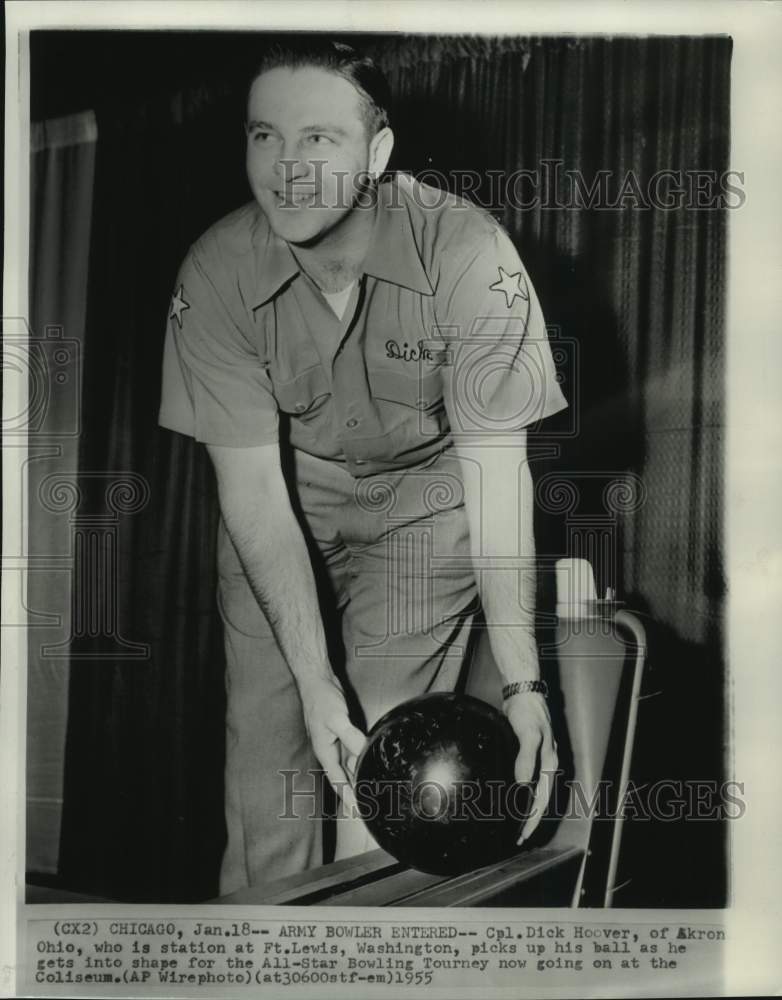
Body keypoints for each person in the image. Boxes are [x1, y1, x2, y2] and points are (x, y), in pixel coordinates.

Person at [159, 38, 568, 896]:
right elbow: (255, 495)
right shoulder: (217, 271)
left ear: (377, 154)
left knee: (384, 763)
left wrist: (523, 677)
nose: (287, 167)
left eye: (319, 139)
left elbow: (496, 475)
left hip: (427, 508)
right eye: (265, 136)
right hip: (286, 514)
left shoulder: (468, 253)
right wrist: (311, 683)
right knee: (268, 767)